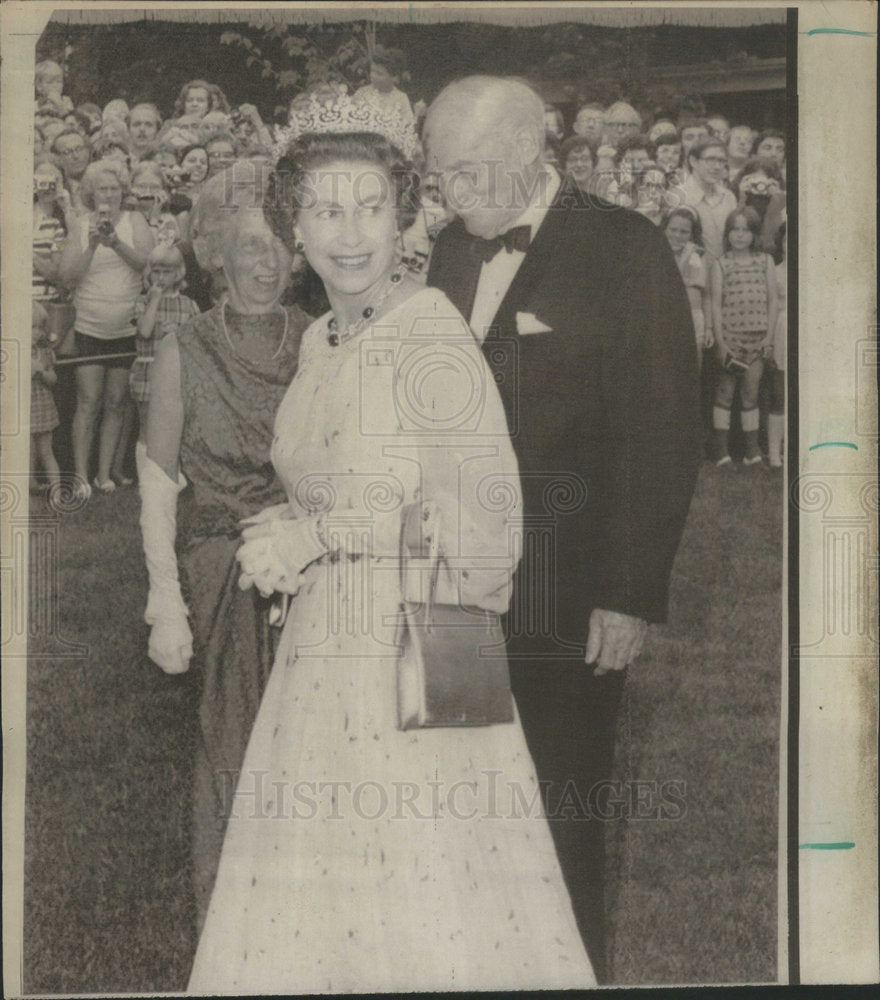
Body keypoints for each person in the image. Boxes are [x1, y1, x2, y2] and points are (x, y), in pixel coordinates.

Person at [188, 91, 596, 993]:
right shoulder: (321, 343)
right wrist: (293, 534)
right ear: (294, 225)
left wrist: (320, 535)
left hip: (420, 643)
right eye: (327, 210)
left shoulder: (431, 331)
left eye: (372, 206)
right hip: (319, 652)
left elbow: (487, 517)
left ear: (404, 212)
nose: (351, 234)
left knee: (429, 878)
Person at [424, 76, 701, 982]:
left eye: (463, 173)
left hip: (569, 592)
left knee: (559, 803)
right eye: (441, 174)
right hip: (452, 591)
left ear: (525, 152)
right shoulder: (444, 255)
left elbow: (663, 432)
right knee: (456, 793)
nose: (448, 194)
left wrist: (627, 595)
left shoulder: (627, 248)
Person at [140, 161, 311, 930]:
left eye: (279, 242)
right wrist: (163, 602)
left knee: (314, 743)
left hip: (311, 565)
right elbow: (155, 482)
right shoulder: (186, 347)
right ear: (216, 253)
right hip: (219, 569)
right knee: (235, 744)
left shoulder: (320, 340)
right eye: (249, 245)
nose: (266, 260)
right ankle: (234, 922)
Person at [58, 158, 153, 498]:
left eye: (114, 188)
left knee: (116, 403)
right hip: (89, 325)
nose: (109, 195)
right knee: (88, 401)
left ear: (122, 191)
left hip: (126, 327)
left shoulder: (135, 220)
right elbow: (67, 276)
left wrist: (115, 244)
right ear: (91, 192)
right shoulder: (81, 223)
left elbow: (146, 263)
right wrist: (94, 244)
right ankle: (82, 475)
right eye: (102, 188)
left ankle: (104, 475)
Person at [709, 207, 778, 466]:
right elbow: (716, 304)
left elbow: (773, 301)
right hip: (731, 340)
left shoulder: (765, 261)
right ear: (728, 234)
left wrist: (768, 338)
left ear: (754, 234)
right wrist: (721, 342)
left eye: (745, 230)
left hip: (758, 340)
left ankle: (752, 452)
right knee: (725, 394)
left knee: (750, 393)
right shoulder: (721, 264)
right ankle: (721, 451)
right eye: (734, 229)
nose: (740, 235)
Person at [130, 244, 199, 443]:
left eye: (166, 272)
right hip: (148, 370)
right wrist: (155, 300)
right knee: (147, 429)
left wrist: (178, 333)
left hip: (177, 372)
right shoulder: (142, 302)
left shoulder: (188, 304)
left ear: (178, 274)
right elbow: (144, 331)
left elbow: (197, 344)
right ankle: (146, 473)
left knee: (174, 429)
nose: (160, 277)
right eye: (156, 272)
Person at [662, 206, 713, 359]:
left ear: (692, 234)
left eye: (684, 232)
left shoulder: (698, 255)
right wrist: (684, 257)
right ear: (664, 229)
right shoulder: (656, 253)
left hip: (694, 320)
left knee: (692, 369)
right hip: (665, 318)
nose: (677, 235)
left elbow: (706, 295)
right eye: (673, 229)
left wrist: (708, 328)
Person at [680, 137, 737, 261]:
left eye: (721, 161)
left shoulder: (729, 197)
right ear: (693, 161)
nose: (717, 167)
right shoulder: (678, 196)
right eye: (710, 160)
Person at [30, 301, 61, 496]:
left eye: (41, 328)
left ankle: (57, 492)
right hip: (20, 409)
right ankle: (26, 489)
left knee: (46, 451)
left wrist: (41, 370)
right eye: (33, 327)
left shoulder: (45, 353)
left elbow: (53, 380)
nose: (38, 333)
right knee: (23, 452)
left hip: (41, 407)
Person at [353, 46, 414, 124]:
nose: (373, 75)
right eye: (372, 71)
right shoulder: (362, 93)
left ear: (394, 77)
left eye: (379, 73)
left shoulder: (401, 98)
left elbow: (408, 126)